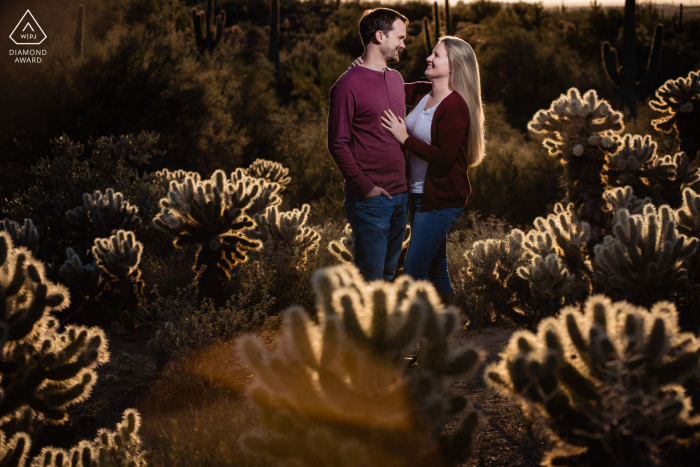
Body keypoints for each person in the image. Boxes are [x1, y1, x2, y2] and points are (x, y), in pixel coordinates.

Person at [353, 36, 486, 305]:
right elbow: (391, 85)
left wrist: (404, 138)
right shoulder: (424, 92)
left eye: (437, 56)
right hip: (418, 195)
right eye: (432, 53)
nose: (429, 58)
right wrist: (367, 67)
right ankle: (447, 331)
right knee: (437, 269)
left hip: (440, 200)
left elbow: (444, 158)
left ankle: (414, 336)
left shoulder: (455, 105)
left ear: (454, 66)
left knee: (413, 271)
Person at [327, 9, 410, 282]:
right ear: (379, 36)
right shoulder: (347, 85)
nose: (403, 44)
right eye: (399, 37)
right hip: (371, 200)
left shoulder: (396, 79)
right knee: (370, 279)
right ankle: (364, 326)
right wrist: (366, 188)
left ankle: (384, 325)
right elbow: (337, 143)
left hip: (400, 196)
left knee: (387, 276)